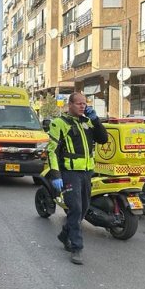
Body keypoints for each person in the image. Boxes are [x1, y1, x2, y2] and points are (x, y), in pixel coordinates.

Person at [46, 92, 108, 265]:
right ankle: (76, 247)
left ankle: (64, 234)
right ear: (70, 105)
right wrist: (55, 175)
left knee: (84, 209)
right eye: (79, 103)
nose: (83, 106)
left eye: (84, 103)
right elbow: (52, 151)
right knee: (75, 208)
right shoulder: (59, 123)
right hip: (70, 173)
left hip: (87, 172)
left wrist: (96, 121)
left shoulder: (87, 122)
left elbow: (103, 139)